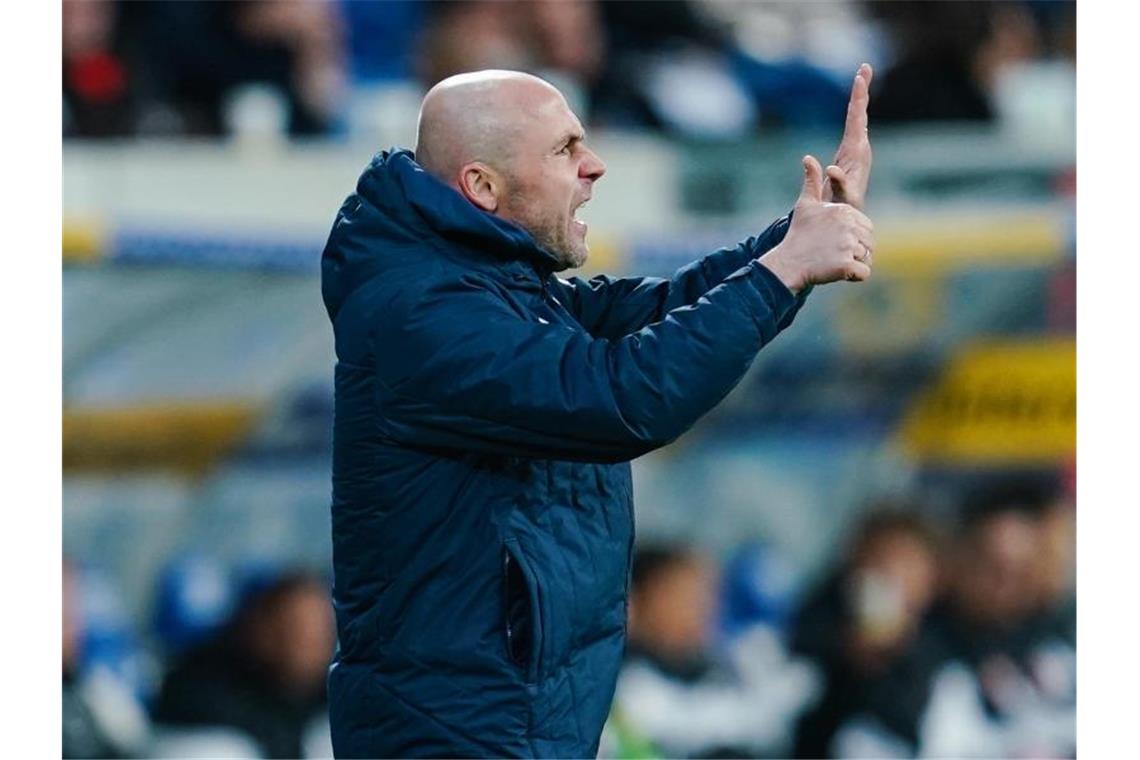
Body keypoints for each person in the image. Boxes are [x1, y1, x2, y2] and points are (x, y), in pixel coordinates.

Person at [321, 65, 876, 758]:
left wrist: (797, 235)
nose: (594, 165)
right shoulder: (421, 313)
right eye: (564, 149)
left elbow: (650, 313)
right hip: (452, 734)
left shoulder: (494, 285)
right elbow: (621, 396)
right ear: (482, 187)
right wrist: (783, 271)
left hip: (511, 722)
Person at [151, 571, 335, 759]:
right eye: (297, 631)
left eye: (320, 634)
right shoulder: (203, 683)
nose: (311, 645)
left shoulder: (328, 691)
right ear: (263, 628)